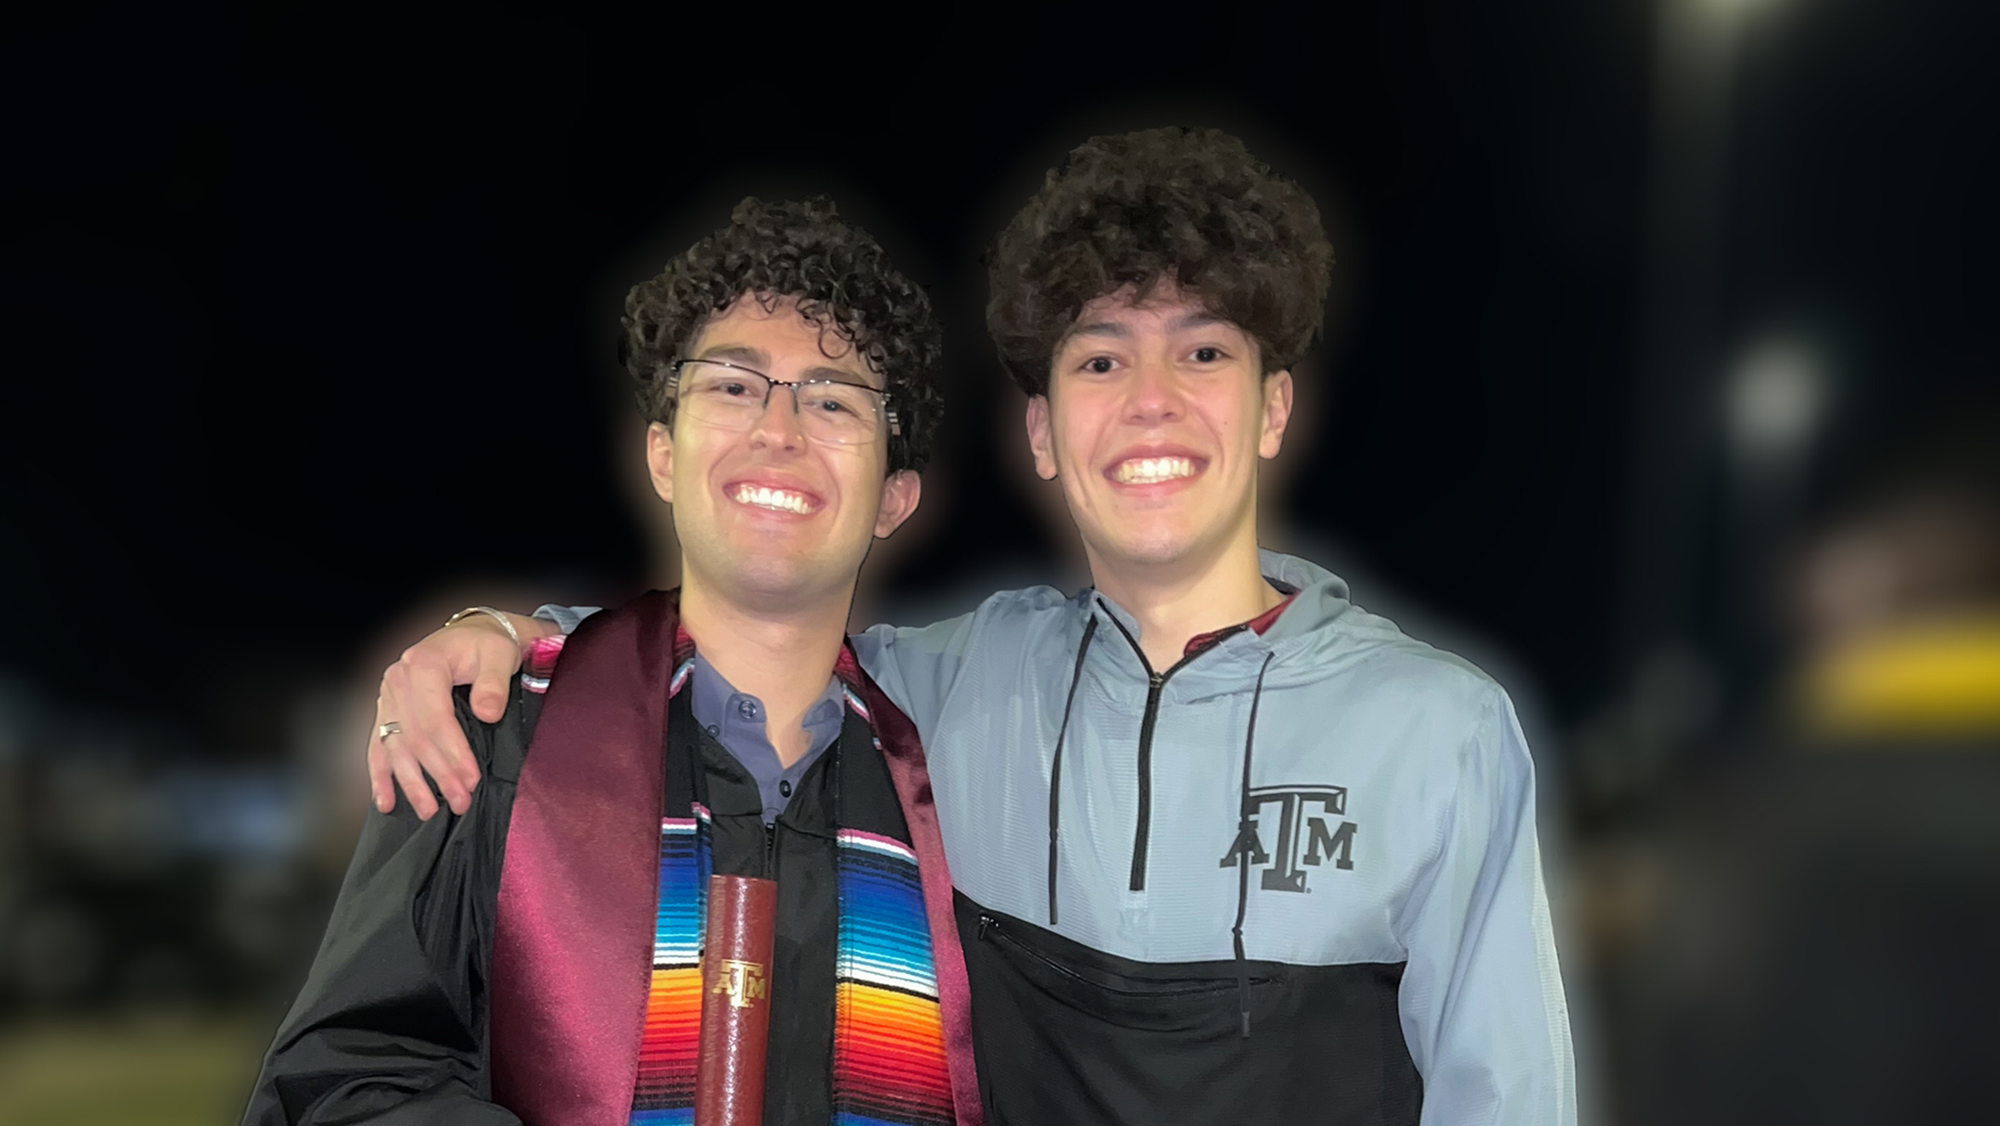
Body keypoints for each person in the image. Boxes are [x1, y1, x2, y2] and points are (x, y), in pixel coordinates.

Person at [369, 128, 1576, 1125]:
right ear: (1042, 434)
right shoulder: (944, 690)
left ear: (1272, 408)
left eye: (1202, 352)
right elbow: (748, 637)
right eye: (1099, 361)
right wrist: (515, 639)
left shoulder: (1441, 733)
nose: (1151, 399)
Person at [243, 198, 981, 1126]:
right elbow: (345, 1080)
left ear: (895, 498)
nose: (779, 431)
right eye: (732, 385)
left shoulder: (958, 789)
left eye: (832, 399)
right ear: (663, 457)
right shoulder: (499, 733)